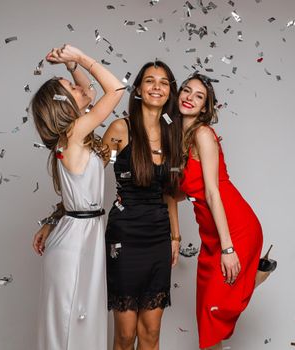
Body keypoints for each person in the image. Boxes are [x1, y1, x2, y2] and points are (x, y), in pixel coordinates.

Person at [30, 43, 124, 350]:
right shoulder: (73, 135)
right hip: (77, 244)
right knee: (72, 327)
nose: (79, 86)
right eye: (71, 86)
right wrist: (81, 57)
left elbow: (93, 94)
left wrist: (72, 68)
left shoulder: (72, 136)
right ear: (63, 105)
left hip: (80, 236)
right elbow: (116, 89)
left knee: (79, 326)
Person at [178, 74, 264, 350]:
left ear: (205, 108)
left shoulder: (203, 134)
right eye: (186, 90)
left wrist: (228, 249)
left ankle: (249, 278)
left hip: (233, 225)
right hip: (210, 231)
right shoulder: (174, 138)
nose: (189, 97)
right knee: (206, 311)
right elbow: (186, 190)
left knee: (214, 308)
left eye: (199, 96)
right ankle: (251, 277)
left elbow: (212, 192)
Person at [101, 60, 183, 350]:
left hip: (158, 236)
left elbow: (170, 192)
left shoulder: (174, 134)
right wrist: (59, 217)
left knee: (151, 332)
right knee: (125, 335)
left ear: (170, 92)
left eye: (163, 82)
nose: (156, 87)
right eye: (149, 80)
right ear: (138, 89)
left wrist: (175, 235)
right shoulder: (120, 129)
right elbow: (83, 174)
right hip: (124, 235)